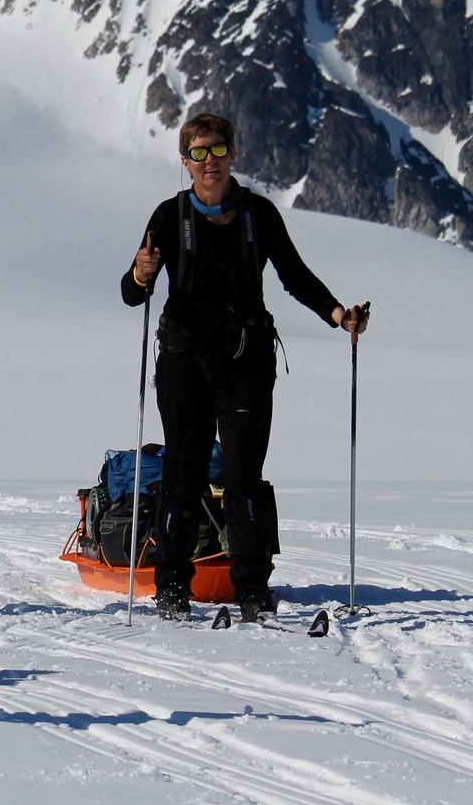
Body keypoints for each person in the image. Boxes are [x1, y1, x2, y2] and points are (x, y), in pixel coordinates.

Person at [123, 112, 370, 622]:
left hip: (245, 359)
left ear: (234, 155)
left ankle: (252, 588)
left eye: (217, 151)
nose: (209, 162)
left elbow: (294, 275)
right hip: (183, 360)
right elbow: (132, 293)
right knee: (183, 472)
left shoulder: (259, 215)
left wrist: (337, 315)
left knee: (244, 475)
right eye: (198, 153)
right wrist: (139, 271)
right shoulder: (168, 217)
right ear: (185, 162)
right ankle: (172, 588)